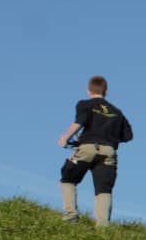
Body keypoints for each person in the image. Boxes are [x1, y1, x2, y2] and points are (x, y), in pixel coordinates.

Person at [57, 75, 133, 228]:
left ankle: (71, 216)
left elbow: (80, 122)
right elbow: (128, 136)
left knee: (68, 178)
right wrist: (109, 138)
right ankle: (103, 226)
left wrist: (65, 137)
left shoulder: (85, 104)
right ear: (106, 91)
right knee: (104, 189)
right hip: (109, 152)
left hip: (87, 148)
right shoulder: (117, 112)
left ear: (89, 91)